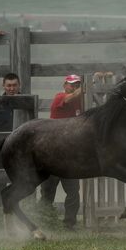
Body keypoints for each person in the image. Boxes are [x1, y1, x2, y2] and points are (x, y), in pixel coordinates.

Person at [40, 74, 83, 230]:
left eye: (77, 84)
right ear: (65, 85)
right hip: (53, 153)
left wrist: (101, 79)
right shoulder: (60, 97)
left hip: (70, 154)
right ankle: (44, 219)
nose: (74, 87)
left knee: (73, 191)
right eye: (72, 84)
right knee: (48, 190)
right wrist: (90, 83)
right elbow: (69, 98)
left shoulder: (80, 99)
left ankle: (69, 223)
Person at [0, 73, 21, 206]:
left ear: (19, 85)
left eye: (14, 85)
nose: (11, 88)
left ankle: (22, 207)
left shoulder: (27, 101)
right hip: (1, 147)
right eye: (9, 85)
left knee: (24, 179)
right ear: (3, 86)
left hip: (22, 148)